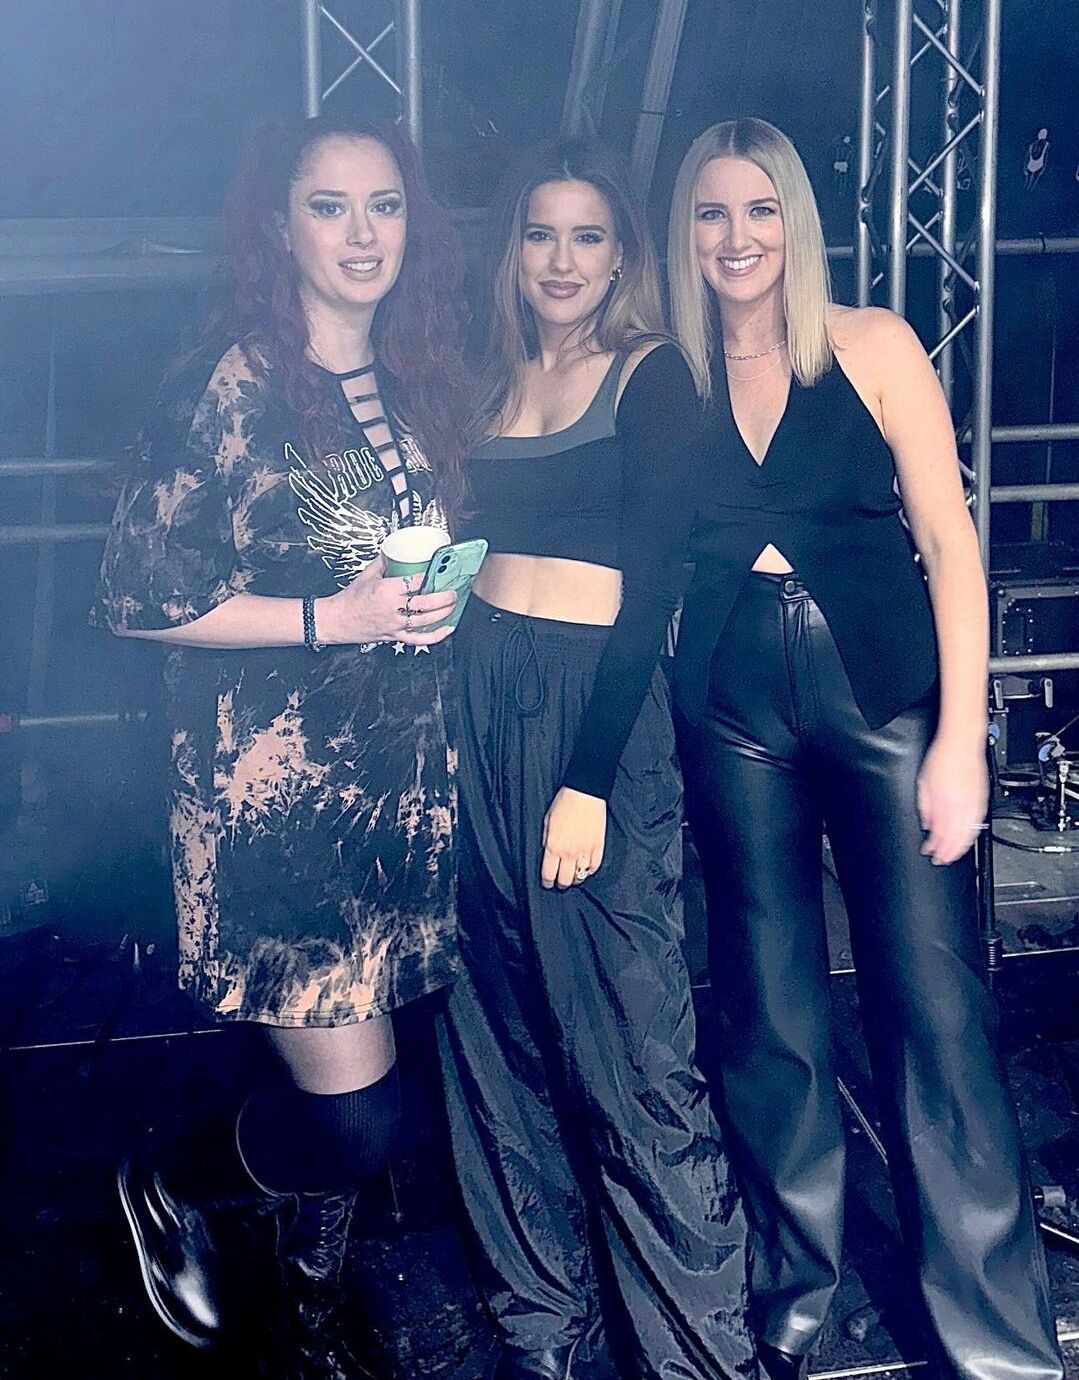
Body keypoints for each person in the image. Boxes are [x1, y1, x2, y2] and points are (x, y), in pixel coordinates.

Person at [665, 117, 1063, 1380]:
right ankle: (791, 1300)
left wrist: (962, 741)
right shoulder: (664, 369)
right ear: (686, 232)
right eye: (712, 212)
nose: (738, 237)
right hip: (730, 709)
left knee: (935, 1007)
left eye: (760, 209)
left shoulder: (872, 343)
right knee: (767, 1008)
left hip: (883, 700)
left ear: (796, 220)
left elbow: (947, 542)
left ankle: (996, 1343)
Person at [93, 113, 471, 1377]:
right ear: (278, 227)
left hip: (394, 791)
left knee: (368, 1098)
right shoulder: (232, 384)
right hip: (275, 810)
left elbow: (391, 556)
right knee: (357, 1117)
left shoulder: (409, 375)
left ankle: (311, 1326)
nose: (362, 235)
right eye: (328, 206)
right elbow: (139, 596)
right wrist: (334, 617)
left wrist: (429, 605)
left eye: (384, 206)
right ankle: (172, 1181)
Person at [436, 138, 755, 1380]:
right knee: (495, 1034)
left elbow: (653, 592)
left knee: (629, 1046)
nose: (559, 261)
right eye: (538, 234)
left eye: (585, 236)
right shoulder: (487, 375)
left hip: (592, 713)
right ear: (511, 250)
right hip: (476, 691)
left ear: (621, 254)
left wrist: (584, 780)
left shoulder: (651, 373)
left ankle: (694, 1356)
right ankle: (543, 1333)